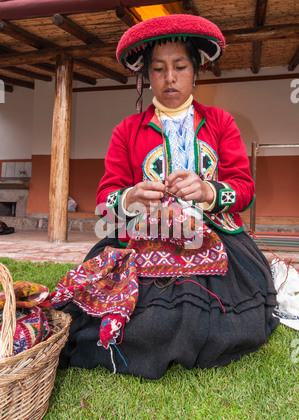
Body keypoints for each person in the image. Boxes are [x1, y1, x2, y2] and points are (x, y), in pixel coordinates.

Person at [59, 15, 279, 380]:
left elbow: (244, 188)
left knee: (227, 314)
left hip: (214, 236)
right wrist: (130, 197)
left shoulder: (221, 123)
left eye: (180, 66)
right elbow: (105, 195)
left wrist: (209, 190)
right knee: (146, 320)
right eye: (159, 69)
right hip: (144, 237)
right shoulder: (126, 131)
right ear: (147, 75)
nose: (170, 77)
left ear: (196, 71)